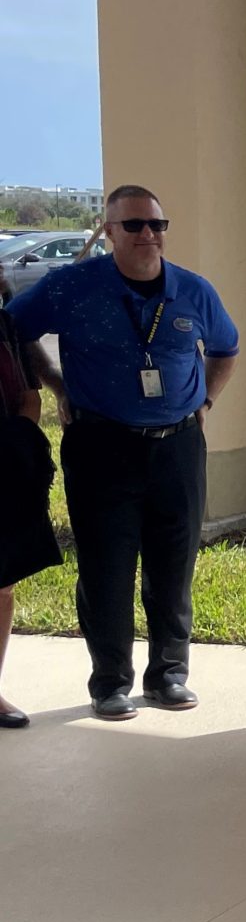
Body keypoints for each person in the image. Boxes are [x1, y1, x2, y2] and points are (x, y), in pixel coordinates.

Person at [5, 186, 238, 718]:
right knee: (107, 568)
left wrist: (206, 401)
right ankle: (109, 681)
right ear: (108, 232)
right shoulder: (71, 286)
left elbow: (227, 349)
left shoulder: (193, 291)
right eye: (133, 225)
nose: (147, 235)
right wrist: (56, 385)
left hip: (177, 446)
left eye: (156, 225)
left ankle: (168, 675)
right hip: (100, 445)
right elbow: (14, 330)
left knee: (173, 564)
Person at [0, 268, 63, 727]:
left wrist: (22, 431)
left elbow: (28, 395)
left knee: (2, 583)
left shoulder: (5, 325)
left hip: (5, 463)